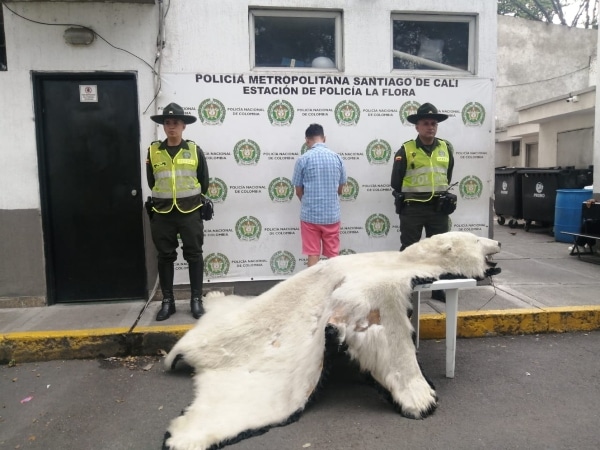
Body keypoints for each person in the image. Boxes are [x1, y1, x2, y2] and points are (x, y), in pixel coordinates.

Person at [146, 103, 210, 321]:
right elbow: (151, 180)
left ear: (184, 126)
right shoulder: (153, 151)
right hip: (163, 212)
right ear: (163, 126)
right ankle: (168, 302)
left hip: (190, 210)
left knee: (194, 255)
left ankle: (196, 300)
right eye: (167, 123)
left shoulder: (194, 150)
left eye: (176, 123)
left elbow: (204, 181)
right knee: (165, 256)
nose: (171, 127)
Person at [390, 102, 455, 302]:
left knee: (440, 249)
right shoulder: (406, 150)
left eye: (433, 123)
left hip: (438, 208)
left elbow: (448, 175)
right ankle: (407, 288)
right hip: (413, 208)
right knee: (410, 249)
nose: (430, 127)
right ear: (417, 126)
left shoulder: (446, 148)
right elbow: (396, 182)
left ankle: (438, 288)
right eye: (426, 123)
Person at [292, 123, 347, 267]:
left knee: (313, 253)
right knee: (333, 255)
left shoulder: (303, 159)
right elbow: (341, 189)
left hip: (310, 216)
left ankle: (313, 288)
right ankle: (334, 287)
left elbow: (298, 191)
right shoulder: (337, 158)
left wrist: (308, 202)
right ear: (324, 138)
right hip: (332, 216)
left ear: (307, 140)